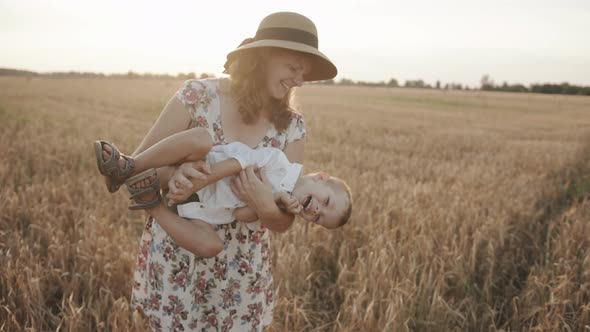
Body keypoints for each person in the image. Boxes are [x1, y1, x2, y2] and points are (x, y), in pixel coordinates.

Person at [122, 11, 339, 331]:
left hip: (241, 271)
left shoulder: (293, 126)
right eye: (294, 67)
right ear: (262, 57)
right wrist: (180, 172)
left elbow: (282, 220)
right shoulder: (197, 96)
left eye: (303, 72)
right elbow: (134, 172)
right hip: (180, 254)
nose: (299, 80)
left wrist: (264, 203)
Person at [93, 128, 352, 257]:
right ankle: (129, 166)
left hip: (200, 210)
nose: (317, 211)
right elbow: (236, 163)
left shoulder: (282, 208)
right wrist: (198, 183)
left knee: (212, 245)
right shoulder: (280, 163)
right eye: (326, 201)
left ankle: (151, 203)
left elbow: (240, 214)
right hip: (199, 170)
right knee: (201, 139)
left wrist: (267, 201)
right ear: (320, 177)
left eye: (319, 219)